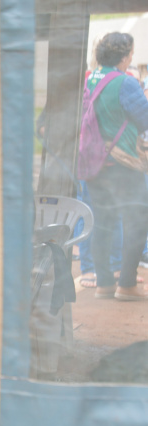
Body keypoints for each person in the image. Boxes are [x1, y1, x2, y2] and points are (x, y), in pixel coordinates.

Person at [83, 32, 148, 301]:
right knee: (136, 223)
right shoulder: (125, 83)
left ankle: (104, 284)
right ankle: (127, 284)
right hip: (123, 164)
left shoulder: (87, 79)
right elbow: (144, 120)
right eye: (131, 53)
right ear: (123, 56)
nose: (131, 57)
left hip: (93, 162)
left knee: (103, 223)